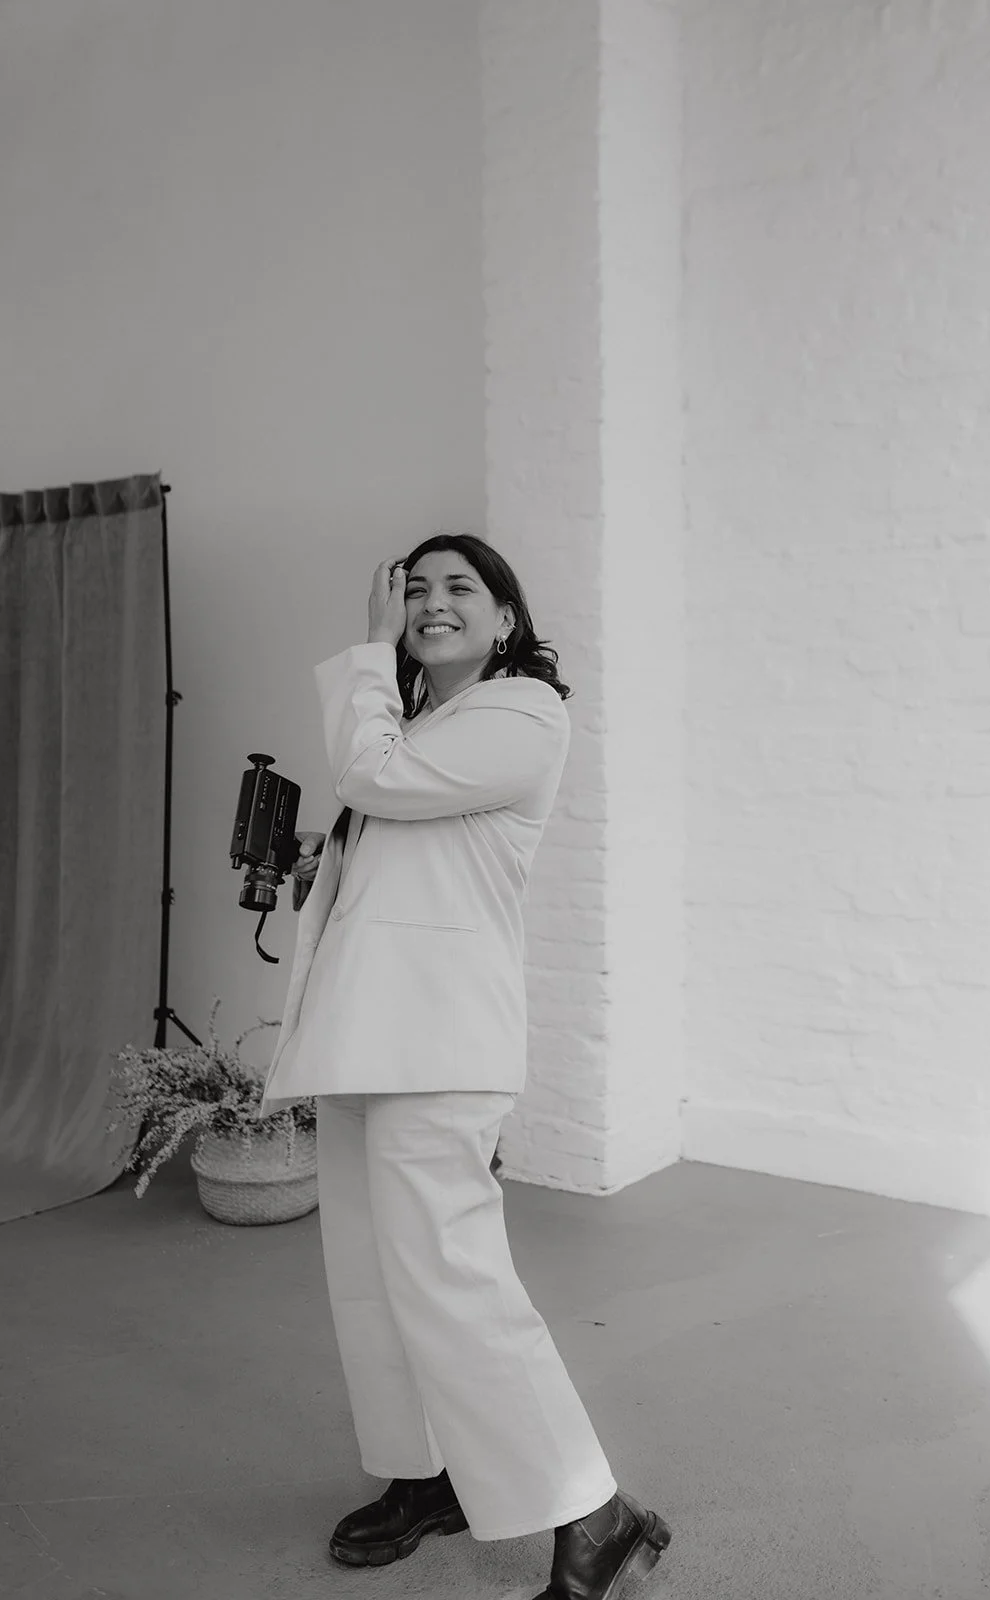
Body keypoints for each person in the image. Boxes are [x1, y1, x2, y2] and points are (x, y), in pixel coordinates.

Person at [256, 535, 671, 1598]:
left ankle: (593, 1509)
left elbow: (373, 775)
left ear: (504, 619)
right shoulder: (415, 727)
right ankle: (425, 1472)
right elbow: (398, 839)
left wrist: (368, 648)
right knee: (371, 1280)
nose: (430, 602)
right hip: (362, 1033)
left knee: (454, 1280)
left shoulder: (522, 712)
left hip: (438, 1044)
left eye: (457, 587)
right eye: (415, 588)